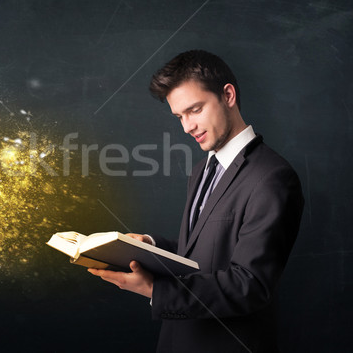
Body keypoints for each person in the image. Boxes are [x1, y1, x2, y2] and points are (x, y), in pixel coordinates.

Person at [88, 50, 304, 352]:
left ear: (228, 95)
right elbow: (205, 255)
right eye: (179, 116)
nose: (186, 127)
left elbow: (250, 285)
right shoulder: (202, 170)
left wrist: (155, 289)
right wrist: (149, 246)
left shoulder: (273, 177)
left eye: (195, 110)